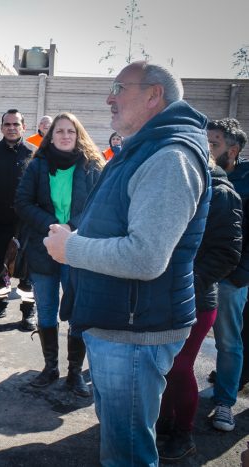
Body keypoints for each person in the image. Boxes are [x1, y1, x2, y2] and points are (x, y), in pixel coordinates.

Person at [43, 62, 210, 466]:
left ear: (154, 95)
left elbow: (146, 257)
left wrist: (72, 249)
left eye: (120, 87)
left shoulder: (170, 157)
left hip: (135, 333)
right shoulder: (143, 148)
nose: (109, 97)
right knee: (121, 441)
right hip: (122, 325)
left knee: (128, 454)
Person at [157, 156, 242, 462]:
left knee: (180, 366)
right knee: (165, 365)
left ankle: (184, 433)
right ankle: (164, 422)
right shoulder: (180, 187)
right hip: (164, 296)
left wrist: (189, 281)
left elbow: (228, 253)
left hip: (198, 299)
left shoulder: (222, 194)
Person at [16, 112, 103, 396]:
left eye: (71, 131)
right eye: (60, 131)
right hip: (44, 249)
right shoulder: (37, 165)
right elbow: (23, 203)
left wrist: (70, 226)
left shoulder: (92, 167)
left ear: (78, 135)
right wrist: (51, 225)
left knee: (78, 312)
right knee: (47, 310)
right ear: (50, 136)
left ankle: (75, 373)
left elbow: (98, 207)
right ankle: (50, 367)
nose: (65, 136)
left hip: (78, 251)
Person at [206, 117, 249, 432]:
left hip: (230, 279)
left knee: (228, 342)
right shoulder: (201, 173)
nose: (207, 148)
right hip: (196, 274)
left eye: (214, 144)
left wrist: (238, 277)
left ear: (232, 150)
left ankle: (224, 403)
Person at [0, 109, 36, 328]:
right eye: (7, 124)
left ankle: (28, 311)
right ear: (1, 128)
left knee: (27, 270)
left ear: (24, 127)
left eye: (16, 124)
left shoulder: (34, 153)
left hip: (26, 224)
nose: (12, 128)